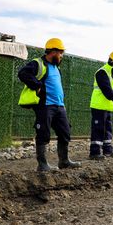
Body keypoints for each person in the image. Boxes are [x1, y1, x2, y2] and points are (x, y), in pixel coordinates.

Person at [18, 38, 81, 172]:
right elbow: (23, 73)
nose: (61, 56)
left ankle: (64, 161)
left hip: (59, 106)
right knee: (43, 133)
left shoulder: (56, 67)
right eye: (60, 53)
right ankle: (42, 165)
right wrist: (38, 85)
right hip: (45, 105)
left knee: (65, 132)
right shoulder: (38, 63)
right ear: (53, 51)